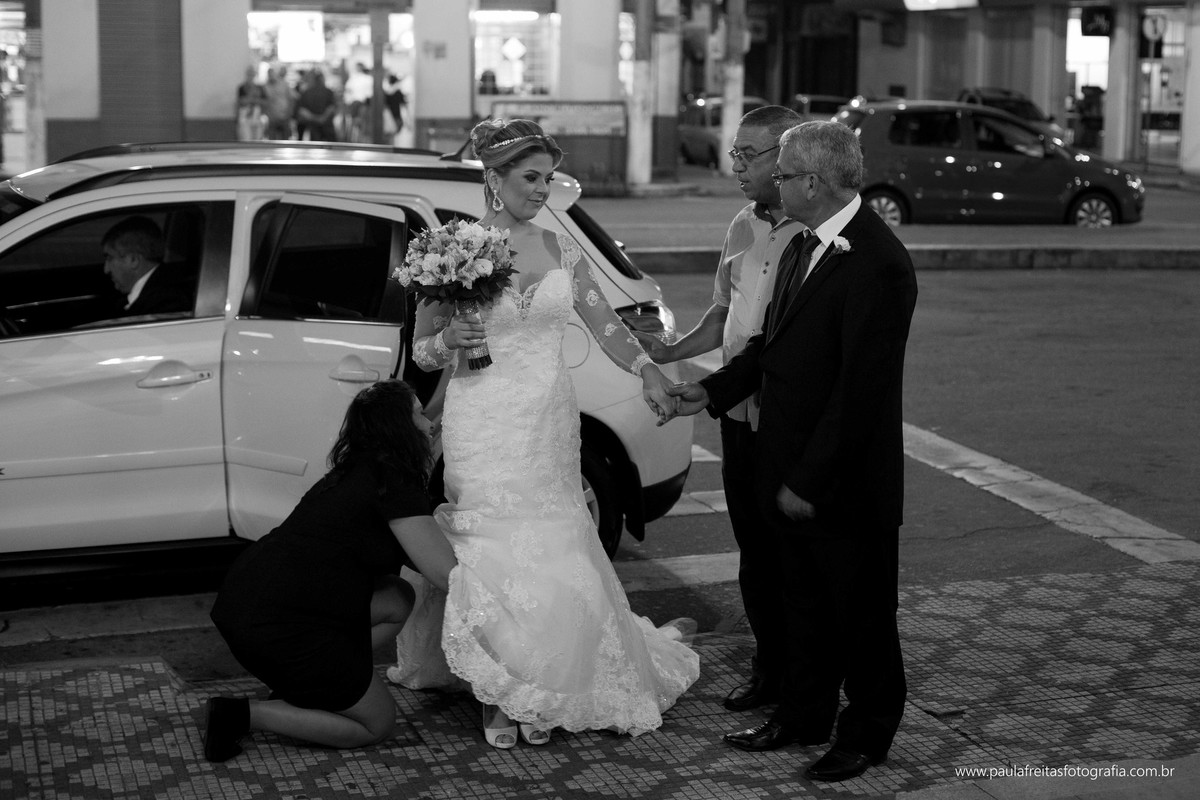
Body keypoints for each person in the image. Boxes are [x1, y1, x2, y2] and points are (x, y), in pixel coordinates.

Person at [392, 118, 699, 749]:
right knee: (492, 543)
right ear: (494, 180)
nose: (542, 189)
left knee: (557, 539)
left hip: (549, 418)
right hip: (483, 420)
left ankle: (552, 677)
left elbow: (606, 323)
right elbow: (422, 351)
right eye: (531, 178)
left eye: (547, 177)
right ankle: (500, 685)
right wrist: (447, 339)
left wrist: (646, 371)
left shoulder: (560, 248)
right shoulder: (452, 249)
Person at [661, 120, 917, 782]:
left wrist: (806, 478)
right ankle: (803, 714)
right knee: (803, 601)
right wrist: (708, 393)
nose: (772, 182)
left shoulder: (880, 263)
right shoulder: (804, 245)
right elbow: (768, 348)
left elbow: (859, 395)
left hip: (844, 481)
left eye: (782, 173)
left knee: (861, 615)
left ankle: (867, 733)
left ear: (813, 181)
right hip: (789, 463)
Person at [633, 105, 804, 716]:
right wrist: (670, 351)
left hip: (787, 420)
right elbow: (723, 314)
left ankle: (804, 678)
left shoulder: (813, 235)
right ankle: (768, 668)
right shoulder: (742, 226)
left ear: (788, 160)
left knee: (795, 557)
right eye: (734, 154)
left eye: (748, 156)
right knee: (755, 550)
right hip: (737, 415)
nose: (736, 166)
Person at [204, 379, 457, 762]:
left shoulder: (362, 467)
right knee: (377, 724)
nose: (430, 423)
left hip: (253, 600)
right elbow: (444, 573)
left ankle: (317, 687)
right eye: (419, 414)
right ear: (399, 428)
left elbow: (413, 555)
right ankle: (241, 714)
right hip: (279, 625)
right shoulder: (394, 481)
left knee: (397, 596)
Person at [102, 216, 193, 315]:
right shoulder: (154, 294)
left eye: (110, 258)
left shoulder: (166, 303)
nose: (106, 270)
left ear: (134, 260)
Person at [295, 69, 338, 141]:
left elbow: (302, 111)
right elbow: (332, 107)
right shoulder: (328, 92)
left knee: (314, 149)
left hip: (313, 128)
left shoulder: (306, 92)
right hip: (325, 128)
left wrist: (314, 118)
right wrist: (322, 118)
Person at [262, 66, 295, 140]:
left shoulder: (284, 84)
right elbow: (265, 101)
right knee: (272, 139)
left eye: (272, 74)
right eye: (269, 74)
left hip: (284, 116)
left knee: (285, 139)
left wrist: (289, 113)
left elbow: (291, 99)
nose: (271, 76)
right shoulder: (265, 86)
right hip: (272, 117)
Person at [235, 66, 266, 141]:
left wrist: (253, 100)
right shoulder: (242, 87)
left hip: (257, 116)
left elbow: (264, 102)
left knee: (257, 138)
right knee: (246, 138)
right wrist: (253, 98)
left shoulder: (260, 88)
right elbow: (242, 101)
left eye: (252, 74)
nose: (251, 76)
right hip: (245, 117)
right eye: (249, 74)